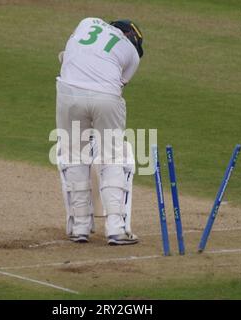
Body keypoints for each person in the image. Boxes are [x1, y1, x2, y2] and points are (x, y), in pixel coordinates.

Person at [55, 17, 143, 245]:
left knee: (74, 156)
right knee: (113, 157)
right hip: (105, 96)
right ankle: (116, 229)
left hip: (67, 91)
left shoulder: (86, 22)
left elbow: (67, 55)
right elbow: (118, 84)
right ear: (131, 38)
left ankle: (79, 227)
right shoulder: (132, 54)